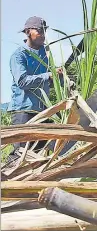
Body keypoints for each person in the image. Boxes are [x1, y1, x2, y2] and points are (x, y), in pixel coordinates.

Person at [7, 16, 62, 161]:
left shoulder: (46, 54)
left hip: (42, 111)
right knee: (21, 153)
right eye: (39, 31)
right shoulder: (19, 55)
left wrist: (61, 80)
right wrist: (49, 75)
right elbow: (22, 82)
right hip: (24, 111)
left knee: (38, 153)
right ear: (27, 32)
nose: (43, 35)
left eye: (44, 31)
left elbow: (48, 81)